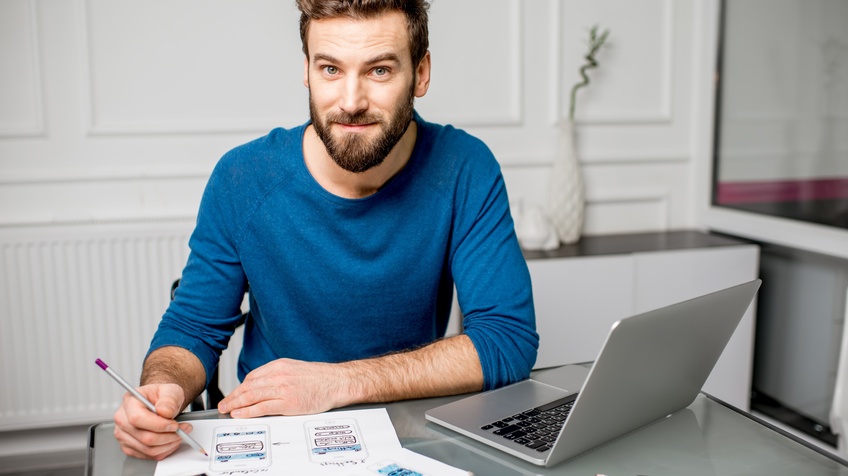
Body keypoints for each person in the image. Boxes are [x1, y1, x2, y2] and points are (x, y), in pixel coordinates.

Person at [113, 0, 538, 460]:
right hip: (274, 436)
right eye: (331, 69)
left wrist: (338, 383)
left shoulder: (465, 168)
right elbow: (192, 326)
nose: (351, 102)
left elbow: (506, 338)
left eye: (379, 71)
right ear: (307, 71)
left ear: (421, 73)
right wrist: (162, 389)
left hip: (406, 434)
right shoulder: (242, 178)